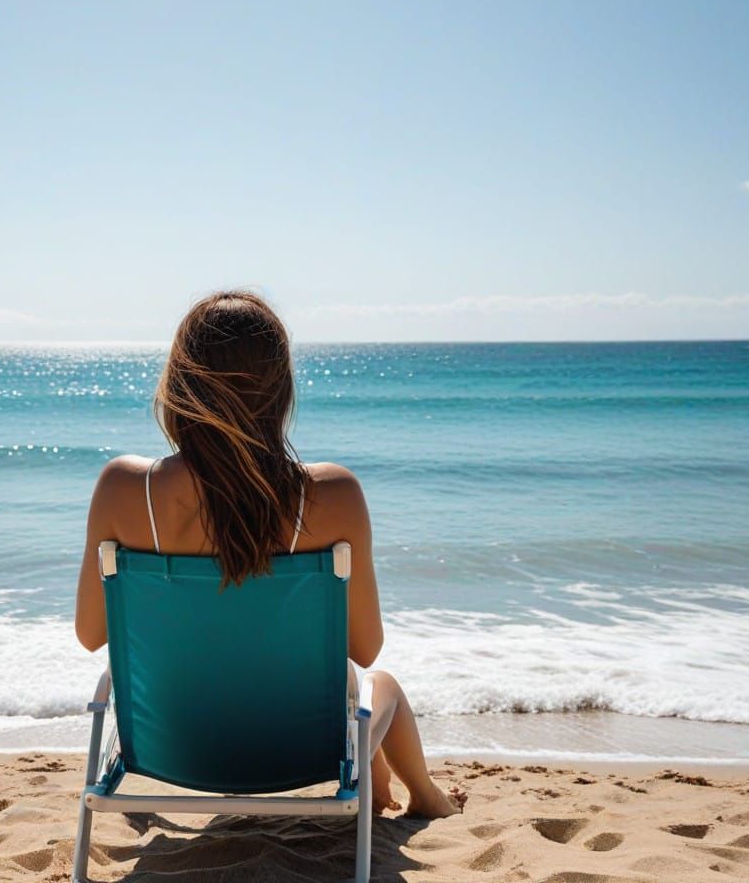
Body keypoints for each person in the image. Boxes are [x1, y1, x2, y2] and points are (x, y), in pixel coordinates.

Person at [74, 290, 466, 818]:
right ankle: (428, 798)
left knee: (351, 684)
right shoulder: (332, 495)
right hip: (297, 750)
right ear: (280, 390)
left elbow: (91, 634)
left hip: (176, 746)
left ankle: (388, 792)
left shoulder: (122, 489)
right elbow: (365, 646)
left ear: (180, 383)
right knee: (379, 686)